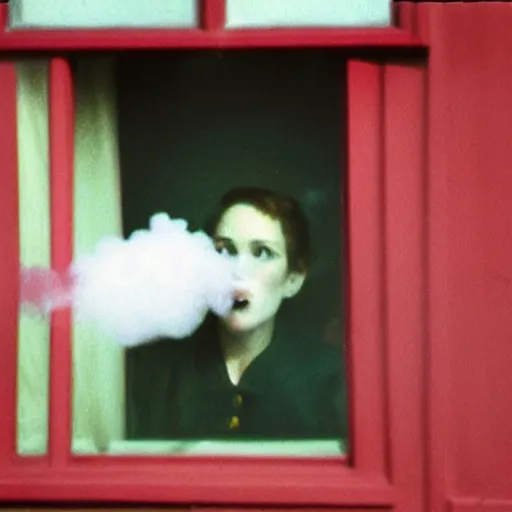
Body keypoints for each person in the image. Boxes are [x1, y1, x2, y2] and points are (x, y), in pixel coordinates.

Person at [126, 187, 346, 441]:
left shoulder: (328, 378)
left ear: (293, 280)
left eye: (262, 252)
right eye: (224, 250)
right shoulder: (158, 370)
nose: (237, 271)